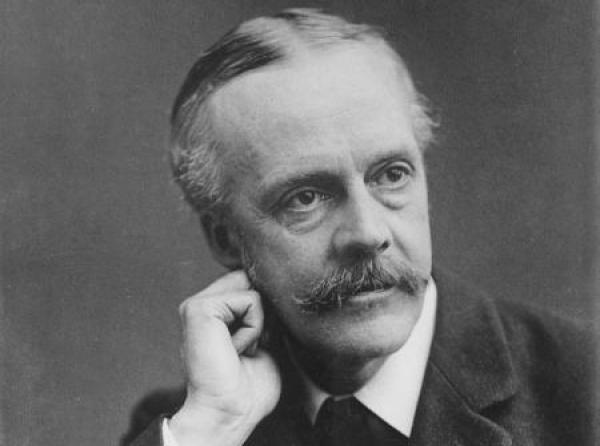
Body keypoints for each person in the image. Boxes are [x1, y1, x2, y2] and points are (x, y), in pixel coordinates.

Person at [123, 9, 595, 446]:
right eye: (305, 198)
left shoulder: (586, 390)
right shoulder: (193, 425)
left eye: (391, 175)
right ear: (226, 238)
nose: (368, 234)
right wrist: (215, 423)